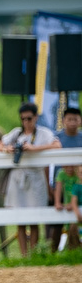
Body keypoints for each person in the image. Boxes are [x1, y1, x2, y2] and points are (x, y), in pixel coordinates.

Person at [0, 102, 60, 256]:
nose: (26, 122)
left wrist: (34, 149)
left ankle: (34, 254)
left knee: (34, 218)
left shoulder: (44, 133)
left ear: (36, 117)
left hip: (36, 178)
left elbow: (57, 145)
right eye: (23, 119)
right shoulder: (17, 133)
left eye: (29, 118)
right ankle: (24, 255)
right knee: (20, 219)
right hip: (17, 179)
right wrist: (7, 149)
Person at [50, 107, 82, 251]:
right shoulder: (56, 139)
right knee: (56, 223)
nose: (72, 122)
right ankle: (52, 252)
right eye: (69, 119)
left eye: (75, 119)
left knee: (76, 221)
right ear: (63, 121)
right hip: (60, 185)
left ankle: (74, 250)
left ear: (80, 121)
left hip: (78, 186)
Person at [54, 165, 81, 251]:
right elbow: (58, 188)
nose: (70, 169)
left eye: (72, 166)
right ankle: (72, 250)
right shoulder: (62, 174)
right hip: (70, 207)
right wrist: (57, 202)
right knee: (70, 229)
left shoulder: (77, 179)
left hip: (76, 207)